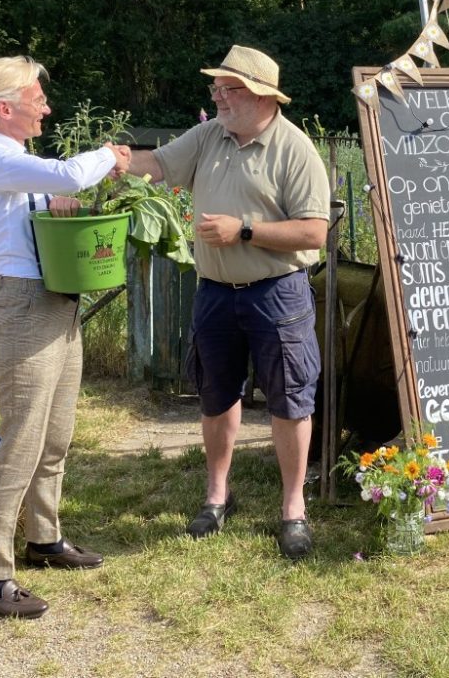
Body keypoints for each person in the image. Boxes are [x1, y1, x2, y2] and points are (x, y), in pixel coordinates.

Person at [126, 44, 328, 560]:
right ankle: (217, 497)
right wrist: (115, 161)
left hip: (279, 294)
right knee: (216, 395)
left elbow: (313, 232)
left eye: (227, 88)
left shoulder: (294, 149)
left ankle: (293, 508)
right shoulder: (210, 135)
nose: (216, 96)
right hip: (215, 294)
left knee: (289, 398)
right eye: (215, 87)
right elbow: (158, 164)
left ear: (260, 95)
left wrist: (244, 231)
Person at [0, 56, 132, 618]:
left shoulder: (13, 159)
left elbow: (44, 195)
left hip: (55, 301)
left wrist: (52, 205)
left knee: (55, 434)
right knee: (22, 440)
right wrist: (109, 156)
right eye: (37, 98)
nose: (47, 107)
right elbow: (67, 175)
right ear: (4, 107)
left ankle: (45, 538)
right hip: (23, 306)